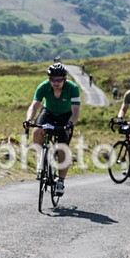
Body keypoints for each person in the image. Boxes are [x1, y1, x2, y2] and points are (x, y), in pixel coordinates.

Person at [25, 62, 81, 196]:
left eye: (59, 79)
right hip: (48, 112)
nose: (56, 82)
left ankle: (61, 180)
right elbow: (34, 106)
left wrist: (69, 124)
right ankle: (42, 157)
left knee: (63, 148)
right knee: (37, 130)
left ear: (64, 79)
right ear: (49, 79)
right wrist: (28, 119)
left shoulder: (73, 88)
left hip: (66, 116)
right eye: (53, 79)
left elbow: (76, 111)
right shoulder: (43, 87)